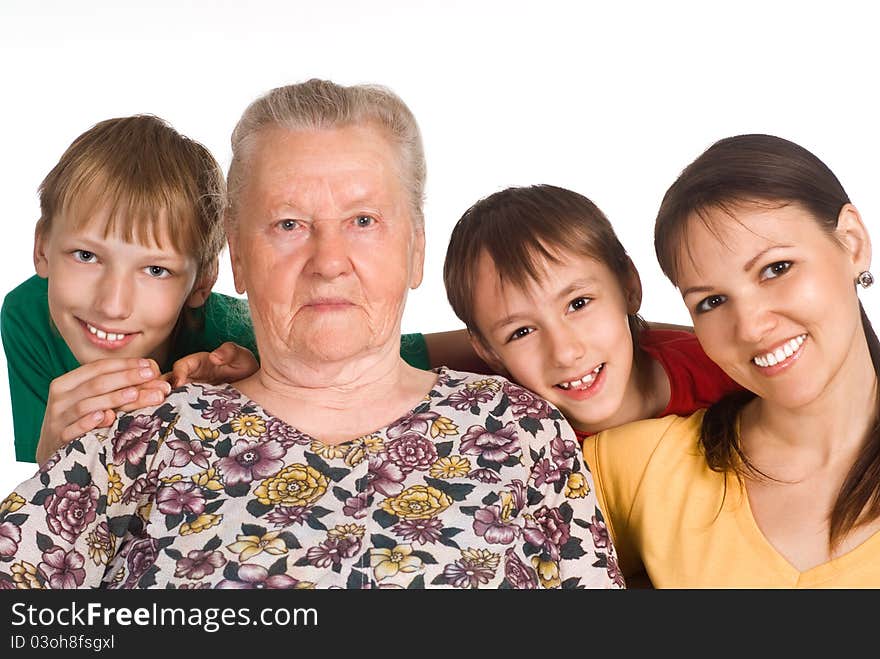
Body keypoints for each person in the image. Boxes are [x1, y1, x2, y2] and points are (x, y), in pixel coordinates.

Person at [0, 79, 620, 589]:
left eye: (364, 220)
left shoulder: (523, 431)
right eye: (289, 223)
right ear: (237, 258)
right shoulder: (139, 432)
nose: (329, 260)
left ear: (415, 250)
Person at [0, 115, 436, 467]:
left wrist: (247, 380)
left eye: (155, 269)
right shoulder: (28, 315)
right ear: (41, 247)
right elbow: (57, 479)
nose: (112, 305)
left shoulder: (241, 332)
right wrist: (50, 458)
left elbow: (407, 357)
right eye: (86, 256)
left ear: (203, 281)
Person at [583, 134, 880, 587]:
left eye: (776, 268)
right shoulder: (637, 468)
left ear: (853, 243)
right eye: (712, 301)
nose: (750, 327)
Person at [442, 184, 741, 443]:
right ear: (488, 351)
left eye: (578, 304)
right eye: (521, 332)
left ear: (629, 287)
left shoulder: (723, 370)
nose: (565, 353)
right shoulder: (502, 440)